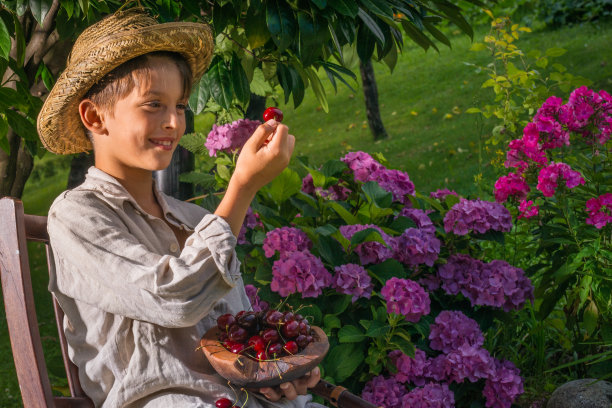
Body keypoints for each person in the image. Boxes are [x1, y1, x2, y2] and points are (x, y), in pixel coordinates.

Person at [36, 8, 320, 408]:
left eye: (181, 105)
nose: (173, 121)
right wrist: (242, 186)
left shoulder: (197, 221)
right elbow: (174, 299)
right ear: (94, 116)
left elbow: (234, 333)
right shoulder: (76, 215)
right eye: (153, 104)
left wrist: (273, 370)